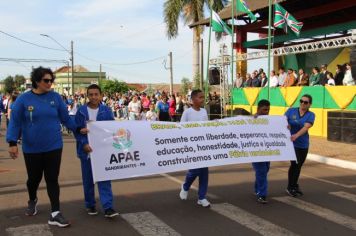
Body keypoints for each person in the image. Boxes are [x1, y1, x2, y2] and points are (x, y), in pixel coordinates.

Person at [7, 66, 80, 227]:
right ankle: (32, 199)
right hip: (32, 147)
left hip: (54, 146)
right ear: (37, 81)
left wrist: (79, 128)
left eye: (51, 80)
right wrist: (12, 142)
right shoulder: (23, 100)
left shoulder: (55, 98)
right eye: (46, 80)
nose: (50, 83)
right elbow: (15, 122)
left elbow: (66, 119)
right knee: (33, 179)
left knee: (52, 179)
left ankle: (55, 213)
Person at [74, 84, 119, 218]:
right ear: (87, 96)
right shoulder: (81, 111)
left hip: (102, 151)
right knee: (88, 180)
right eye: (91, 94)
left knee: (104, 178)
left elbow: (111, 129)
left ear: (101, 95)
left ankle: (108, 207)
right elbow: (77, 130)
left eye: (96, 94)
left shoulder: (106, 110)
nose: (94, 97)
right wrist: (84, 144)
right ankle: (90, 204)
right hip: (86, 151)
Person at [179, 89, 210, 207]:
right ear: (193, 100)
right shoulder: (187, 112)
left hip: (203, 145)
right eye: (200, 97)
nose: (202, 99)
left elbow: (207, 126)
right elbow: (181, 128)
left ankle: (202, 197)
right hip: (192, 146)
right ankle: (186, 186)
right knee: (194, 171)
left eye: (203, 97)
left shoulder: (204, 111)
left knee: (204, 172)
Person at [285, 94, 315, 197]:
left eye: (305, 102)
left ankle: (294, 185)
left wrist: (296, 135)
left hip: (303, 144)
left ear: (309, 104)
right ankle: (291, 187)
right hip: (292, 144)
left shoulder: (311, 115)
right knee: (295, 164)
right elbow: (283, 121)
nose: (302, 103)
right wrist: (286, 125)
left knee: (299, 165)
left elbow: (306, 127)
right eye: (301, 101)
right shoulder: (291, 111)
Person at [252, 99, 271, 204]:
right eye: (264, 110)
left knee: (266, 169)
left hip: (266, 150)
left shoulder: (269, 120)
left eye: (268, 110)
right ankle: (262, 194)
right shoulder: (251, 120)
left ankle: (257, 188)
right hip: (256, 151)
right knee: (262, 171)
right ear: (258, 109)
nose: (266, 112)